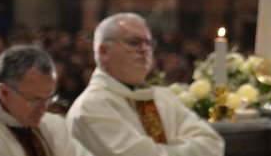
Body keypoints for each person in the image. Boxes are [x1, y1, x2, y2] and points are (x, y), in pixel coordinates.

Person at [67, 14, 223, 156]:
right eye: (133, 43)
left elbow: (213, 144)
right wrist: (183, 145)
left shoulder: (163, 97)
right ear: (104, 51)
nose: (144, 50)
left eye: (148, 43)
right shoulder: (91, 106)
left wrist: (162, 149)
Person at [0, 45, 85, 156]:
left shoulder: (55, 124)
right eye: (34, 100)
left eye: (48, 99)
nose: (43, 108)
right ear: (4, 92)